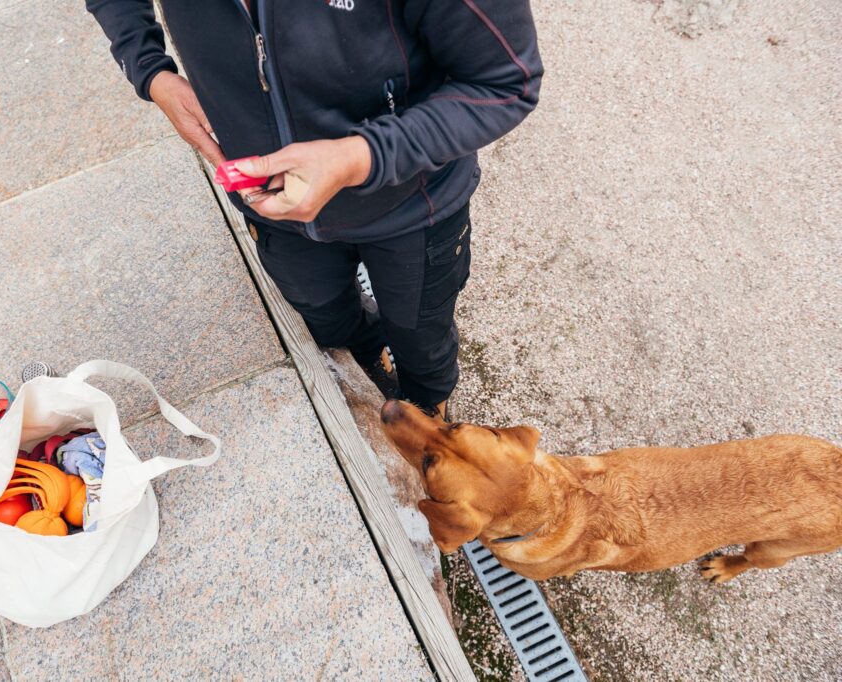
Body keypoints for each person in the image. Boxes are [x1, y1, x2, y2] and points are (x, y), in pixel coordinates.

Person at [87, 0, 543, 420]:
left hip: (413, 205)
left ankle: (428, 421)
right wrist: (150, 71)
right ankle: (370, 358)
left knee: (423, 342)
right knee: (330, 322)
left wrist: (361, 156)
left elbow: (507, 80)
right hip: (270, 208)